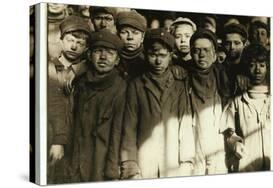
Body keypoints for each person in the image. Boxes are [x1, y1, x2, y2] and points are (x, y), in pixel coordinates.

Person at [120, 28, 195, 179]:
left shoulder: (179, 86)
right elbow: (129, 128)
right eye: (153, 55)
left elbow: (185, 126)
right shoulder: (136, 85)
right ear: (145, 54)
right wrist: (131, 166)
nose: (158, 60)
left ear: (170, 56)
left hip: (172, 160)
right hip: (144, 161)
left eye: (162, 55)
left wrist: (186, 162)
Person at [71, 29, 127, 182]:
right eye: (98, 51)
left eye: (110, 53)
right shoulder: (80, 84)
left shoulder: (121, 89)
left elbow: (117, 133)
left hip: (101, 164)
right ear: (89, 55)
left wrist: (111, 170)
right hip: (75, 160)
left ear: (117, 60)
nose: (103, 57)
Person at [47, 15, 91, 184]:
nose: (74, 46)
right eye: (70, 40)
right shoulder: (49, 67)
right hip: (53, 134)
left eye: (80, 43)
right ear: (61, 40)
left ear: (86, 47)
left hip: (79, 136)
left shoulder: (88, 72)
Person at [187, 29, 231, 175]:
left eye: (206, 50)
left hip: (217, 137)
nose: (201, 55)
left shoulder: (223, 77)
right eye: (196, 50)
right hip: (192, 138)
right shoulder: (183, 76)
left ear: (214, 53)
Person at [222, 43, 271, 172]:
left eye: (262, 65)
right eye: (252, 65)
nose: (257, 70)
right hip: (247, 164)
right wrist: (235, 144)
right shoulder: (238, 100)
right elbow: (229, 131)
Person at [116, 10, 148, 80]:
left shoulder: (148, 61)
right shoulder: (112, 58)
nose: (130, 37)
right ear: (118, 35)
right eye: (124, 32)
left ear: (142, 37)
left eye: (135, 33)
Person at [222, 23, 248, 94]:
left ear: (245, 44)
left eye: (236, 43)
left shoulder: (249, 68)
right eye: (227, 43)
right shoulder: (218, 68)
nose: (232, 47)